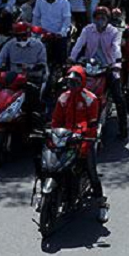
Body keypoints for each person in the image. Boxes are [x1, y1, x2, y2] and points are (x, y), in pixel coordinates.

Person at [47, 66, 109, 222]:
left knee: (91, 170)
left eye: (75, 82)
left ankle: (101, 204)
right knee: (48, 163)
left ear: (82, 82)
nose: (71, 86)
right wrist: (52, 134)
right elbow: (56, 120)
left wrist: (85, 139)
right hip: (64, 139)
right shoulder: (63, 98)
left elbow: (93, 125)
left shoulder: (91, 99)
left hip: (84, 140)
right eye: (69, 82)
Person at [69, 7, 129, 139]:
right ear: (93, 18)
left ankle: (123, 129)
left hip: (108, 66)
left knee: (118, 97)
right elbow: (79, 44)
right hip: (89, 66)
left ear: (108, 20)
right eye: (97, 17)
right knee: (70, 87)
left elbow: (116, 47)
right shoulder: (88, 30)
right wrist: (72, 59)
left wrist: (117, 63)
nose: (100, 20)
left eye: (103, 18)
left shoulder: (114, 32)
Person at [0, 21, 48, 119]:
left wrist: (30, 67)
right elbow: (0, 58)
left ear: (29, 34)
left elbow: (42, 64)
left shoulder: (39, 46)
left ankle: (32, 117)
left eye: (24, 36)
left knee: (32, 96)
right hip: (13, 76)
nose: (21, 39)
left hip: (32, 76)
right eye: (18, 36)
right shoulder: (10, 44)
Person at [33, 0, 71, 68]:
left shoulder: (64, 2)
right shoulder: (39, 0)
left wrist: (61, 33)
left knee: (60, 60)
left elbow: (66, 20)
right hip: (43, 35)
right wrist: (35, 32)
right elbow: (36, 17)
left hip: (58, 35)